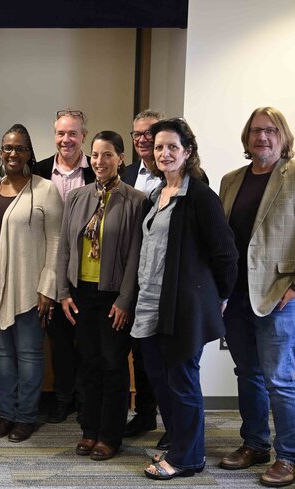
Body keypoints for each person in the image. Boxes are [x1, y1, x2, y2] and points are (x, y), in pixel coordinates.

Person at [218, 107, 295, 487]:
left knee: (279, 379)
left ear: (283, 136)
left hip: (281, 298)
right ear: (246, 137)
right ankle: (255, 443)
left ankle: (291, 456)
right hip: (236, 298)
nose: (262, 138)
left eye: (271, 131)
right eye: (255, 131)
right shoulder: (231, 180)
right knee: (248, 374)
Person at [130, 118, 238, 480]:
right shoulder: (156, 193)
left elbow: (226, 254)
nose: (164, 153)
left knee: (182, 381)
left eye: (172, 147)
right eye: (159, 147)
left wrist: (218, 297)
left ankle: (189, 458)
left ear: (187, 151)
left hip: (181, 309)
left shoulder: (200, 197)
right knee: (161, 382)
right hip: (150, 304)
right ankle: (178, 443)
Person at [57, 131, 146, 460]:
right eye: (95, 155)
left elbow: (137, 255)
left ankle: (111, 435)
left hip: (114, 297)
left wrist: (125, 300)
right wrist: (63, 292)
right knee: (89, 364)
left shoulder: (135, 200)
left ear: (120, 158)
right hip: (81, 293)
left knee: (113, 365)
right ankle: (89, 430)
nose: (99, 161)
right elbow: (65, 247)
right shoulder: (77, 197)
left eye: (107, 155)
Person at [0, 124, 63, 443]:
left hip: (30, 288)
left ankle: (26, 418)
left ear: (29, 153)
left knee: (29, 354)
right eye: (8, 148)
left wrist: (48, 286)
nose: (13, 154)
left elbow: (56, 240)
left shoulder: (45, 189)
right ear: (1, 153)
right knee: (2, 353)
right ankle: (7, 415)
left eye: (20, 149)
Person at [35, 109, 94, 424]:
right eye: (60, 133)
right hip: (52, 267)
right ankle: (63, 398)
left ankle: (85, 400)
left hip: (88, 270)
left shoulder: (97, 168)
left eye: (73, 133)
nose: (66, 139)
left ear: (83, 136)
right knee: (58, 340)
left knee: (85, 340)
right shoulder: (40, 171)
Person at [121, 108, 170, 450]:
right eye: (136, 134)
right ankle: (144, 414)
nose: (142, 139)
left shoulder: (180, 176)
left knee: (167, 356)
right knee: (139, 352)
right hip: (132, 278)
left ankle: (175, 422)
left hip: (165, 281)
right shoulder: (124, 172)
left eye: (148, 133)